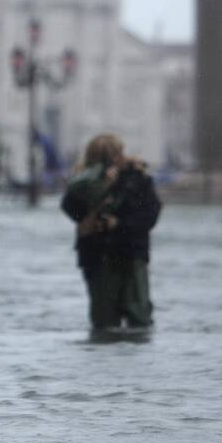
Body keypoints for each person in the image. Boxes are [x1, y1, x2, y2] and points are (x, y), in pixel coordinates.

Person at [60, 133, 161, 329]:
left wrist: (118, 224)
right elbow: (70, 207)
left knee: (139, 317)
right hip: (98, 256)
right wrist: (100, 186)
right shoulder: (84, 182)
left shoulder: (137, 178)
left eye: (114, 155)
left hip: (132, 254)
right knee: (104, 320)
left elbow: (149, 214)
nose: (112, 162)